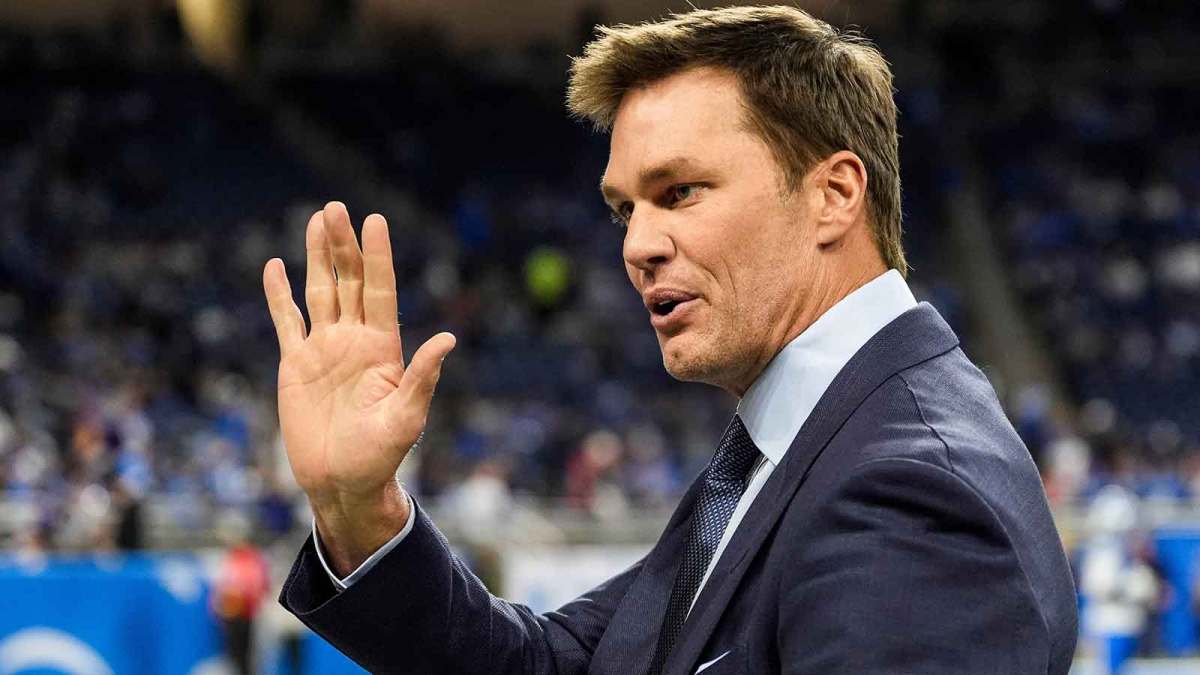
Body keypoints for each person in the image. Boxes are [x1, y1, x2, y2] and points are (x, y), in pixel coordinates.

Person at [264, 6, 1078, 674]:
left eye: (679, 191)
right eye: (626, 208)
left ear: (833, 195)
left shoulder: (909, 492)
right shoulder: (793, 446)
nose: (636, 245)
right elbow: (567, 667)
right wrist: (360, 510)